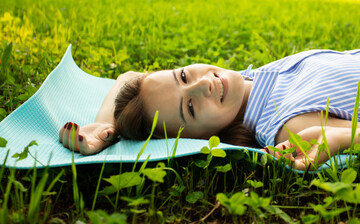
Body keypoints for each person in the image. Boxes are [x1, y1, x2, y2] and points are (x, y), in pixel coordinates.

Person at [59, 49, 360, 170]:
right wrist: (339, 139)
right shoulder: (288, 124)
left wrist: (100, 125)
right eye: (190, 107)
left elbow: (130, 78)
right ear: (208, 137)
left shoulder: (247, 83)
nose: (203, 85)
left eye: (183, 75)